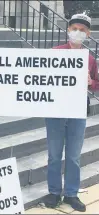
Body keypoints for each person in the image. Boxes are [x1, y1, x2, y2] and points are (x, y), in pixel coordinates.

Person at [44, 14, 99, 212]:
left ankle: (71, 193)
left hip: (77, 111)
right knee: (54, 154)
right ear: (68, 30)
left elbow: (97, 83)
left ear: (88, 33)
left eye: (82, 30)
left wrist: (91, 83)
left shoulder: (90, 60)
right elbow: (32, 72)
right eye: (74, 28)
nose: (78, 32)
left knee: (74, 156)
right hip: (56, 110)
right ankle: (54, 192)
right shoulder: (55, 52)